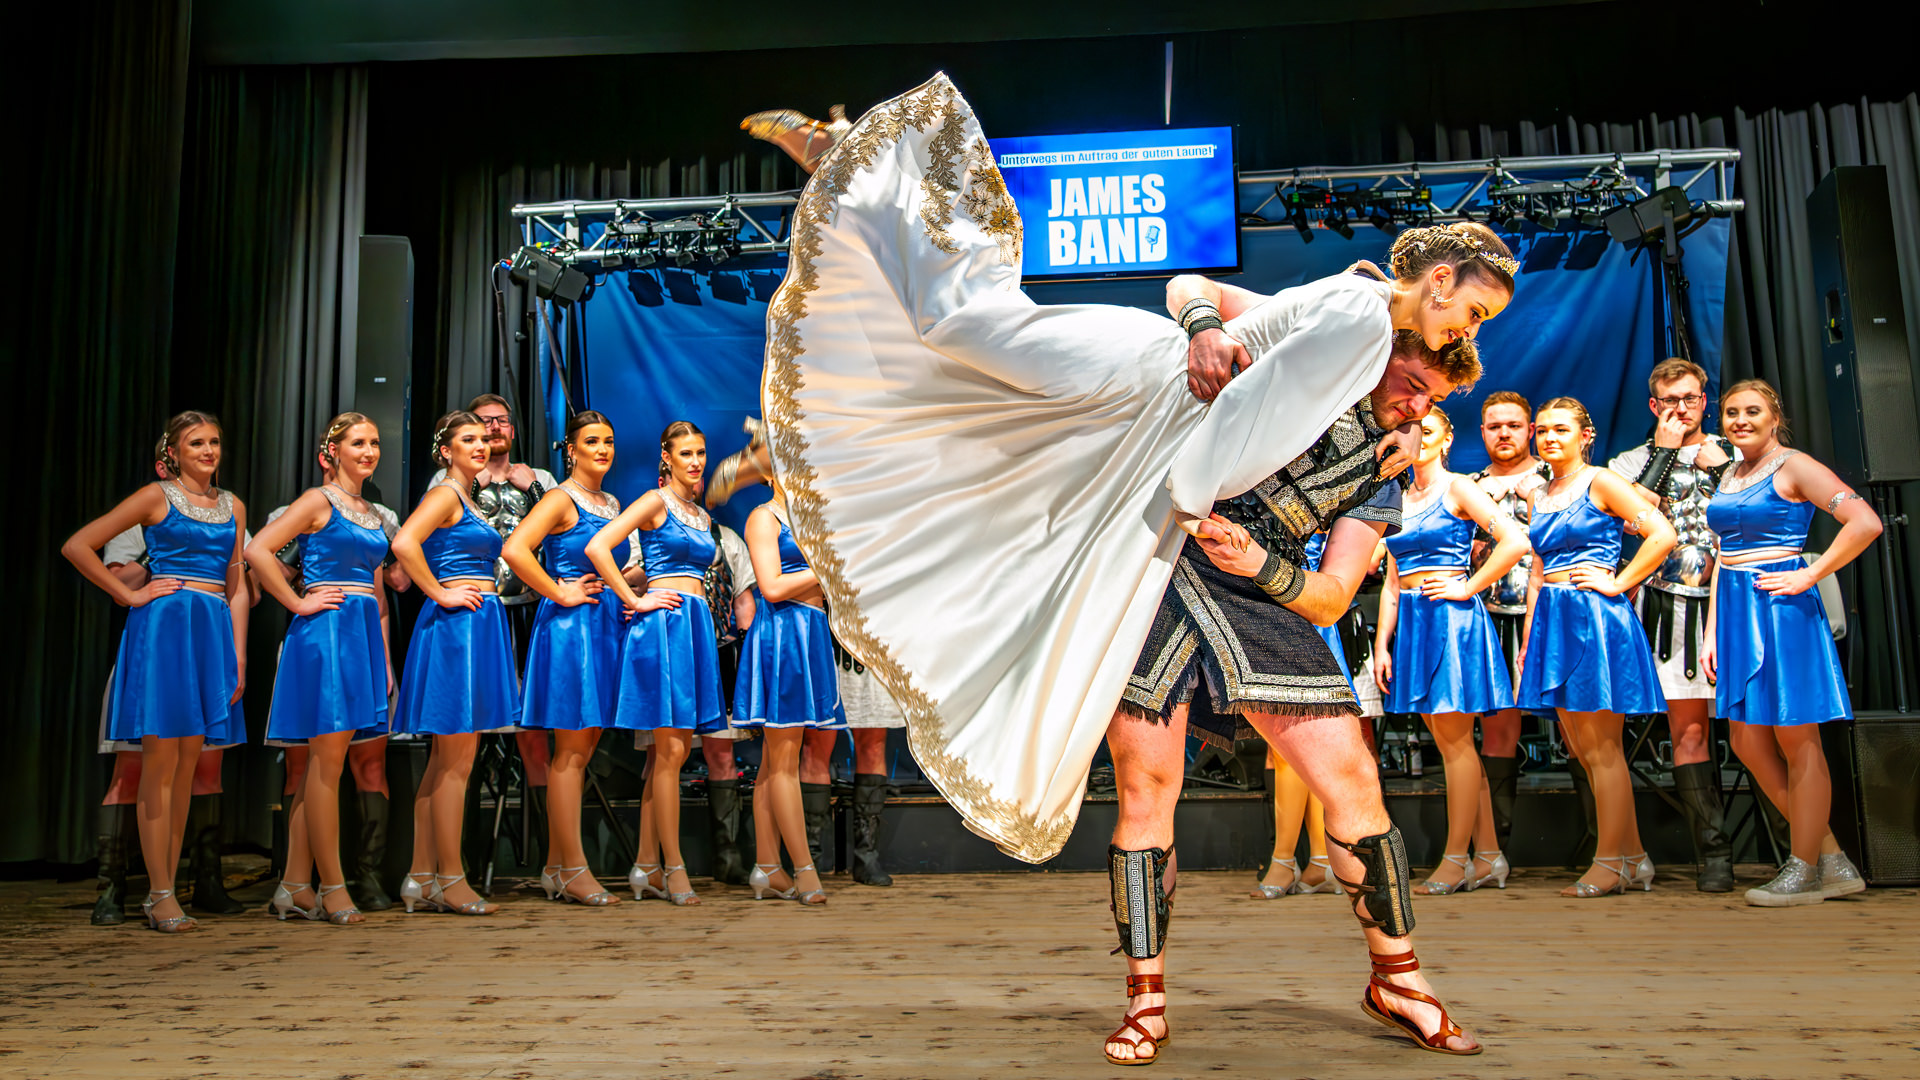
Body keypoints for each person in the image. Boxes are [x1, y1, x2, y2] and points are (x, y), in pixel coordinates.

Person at [759, 77, 1516, 1062]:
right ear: (1430, 302)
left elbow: (1334, 595)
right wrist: (1205, 328)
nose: (1418, 398)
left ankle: (1398, 977)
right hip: (1151, 543)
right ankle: (1146, 999)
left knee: (1352, 783)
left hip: (1246, 589)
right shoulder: (1342, 323)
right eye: (1422, 372)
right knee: (1145, 784)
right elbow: (1199, 294)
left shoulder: (1384, 474)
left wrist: (1265, 564)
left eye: (1433, 396)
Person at [61, 411, 250, 933]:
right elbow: (78, 545)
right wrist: (129, 595)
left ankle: (163, 891)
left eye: (214, 441)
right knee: (159, 767)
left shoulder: (233, 505)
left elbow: (236, 585)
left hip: (210, 631)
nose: (208, 451)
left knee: (188, 770)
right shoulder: (155, 497)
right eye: (196, 443)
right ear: (174, 452)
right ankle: (161, 893)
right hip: (165, 630)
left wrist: (238, 655)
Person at [1704, 380, 1880, 906]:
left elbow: (1864, 522)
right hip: (1735, 613)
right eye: (1731, 412)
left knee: (1796, 738)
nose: (1740, 420)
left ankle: (1803, 868)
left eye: (1752, 411)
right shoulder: (1731, 473)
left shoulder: (1795, 466)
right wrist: (1712, 631)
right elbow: (1723, 556)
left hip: (1781, 612)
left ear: (1774, 417)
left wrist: (1810, 574)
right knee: (1746, 742)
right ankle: (1832, 857)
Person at [1518, 397, 1675, 898]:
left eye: (1561, 429)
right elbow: (1537, 572)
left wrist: (1619, 582)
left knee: (1603, 748)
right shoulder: (1539, 494)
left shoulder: (1602, 481)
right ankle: (1633, 857)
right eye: (1542, 429)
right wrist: (1529, 637)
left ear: (1586, 435)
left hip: (1593, 616)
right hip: (1552, 619)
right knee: (1584, 750)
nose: (1549, 437)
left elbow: (1662, 534)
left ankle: (1610, 862)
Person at [1372, 407, 1530, 895]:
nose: (1415, 439)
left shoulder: (1459, 488)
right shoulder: (1396, 498)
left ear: (1446, 439)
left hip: (1450, 620)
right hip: (1414, 623)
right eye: (1405, 432)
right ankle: (1489, 855)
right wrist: (1382, 644)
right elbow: (1392, 582)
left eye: (1426, 431)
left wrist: (1468, 587)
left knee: (1457, 743)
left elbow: (1515, 541)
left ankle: (1455, 859)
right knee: (1450, 745)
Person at [248, 413, 393, 925]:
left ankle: (293, 885)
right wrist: (297, 601)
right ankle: (332, 886)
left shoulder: (371, 511)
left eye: (374, 442)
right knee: (325, 765)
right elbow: (257, 549)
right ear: (332, 451)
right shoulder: (317, 500)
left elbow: (378, 591)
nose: (369, 451)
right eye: (358, 443)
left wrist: (384, 658)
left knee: (321, 766)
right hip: (326, 633)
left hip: (360, 635)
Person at [1605, 358, 1737, 891]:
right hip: (1670, 607)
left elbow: (1754, 511)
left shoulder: (1732, 451)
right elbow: (1633, 521)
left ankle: (1801, 849)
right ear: (1653, 405)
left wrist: (1719, 470)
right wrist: (1663, 453)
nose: (1681, 409)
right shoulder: (1631, 461)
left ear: (1705, 400)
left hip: (1735, 601)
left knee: (1758, 731)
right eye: (1669, 401)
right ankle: (1715, 854)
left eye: (1690, 399)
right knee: (1690, 730)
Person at [588, 421, 727, 907]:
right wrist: (634, 598)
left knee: (671, 754)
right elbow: (598, 547)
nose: (696, 461)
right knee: (669, 752)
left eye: (701, 452)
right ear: (666, 456)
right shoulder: (654, 501)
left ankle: (646, 866)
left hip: (693, 625)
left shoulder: (700, 514)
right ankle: (675, 868)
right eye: (686, 453)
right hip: (664, 628)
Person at [501, 411, 636, 906]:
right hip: (571, 631)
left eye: (608, 441)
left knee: (584, 749)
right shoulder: (560, 498)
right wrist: (558, 591)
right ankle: (574, 869)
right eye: (592, 441)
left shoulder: (611, 503)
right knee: (571, 751)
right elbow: (515, 550)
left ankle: (557, 868)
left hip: (604, 627)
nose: (602, 449)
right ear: (571, 450)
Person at [391, 411, 522, 916]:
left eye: (483, 438)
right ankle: (450, 877)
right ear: (445, 450)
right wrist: (440, 592)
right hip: (457, 628)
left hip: (475, 623)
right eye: (468, 439)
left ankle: (421, 875)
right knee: (455, 761)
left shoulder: (467, 496)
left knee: (446, 762)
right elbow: (404, 543)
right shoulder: (446, 493)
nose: (481, 445)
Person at [434, 393, 561, 846]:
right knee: (464, 733)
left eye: (501, 421)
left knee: (533, 729)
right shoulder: (453, 480)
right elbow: (429, 541)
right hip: (475, 610)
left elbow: (561, 533)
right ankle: (459, 852)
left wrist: (535, 490)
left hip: (527, 608)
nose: (493, 429)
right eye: (483, 422)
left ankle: (549, 851)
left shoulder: (540, 478)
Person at [734, 481, 847, 905]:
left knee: (774, 761)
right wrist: (827, 568)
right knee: (784, 761)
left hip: (809, 630)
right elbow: (772, 587)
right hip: (784, 634)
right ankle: (803, 869)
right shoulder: (764, 517)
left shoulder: (808, 515)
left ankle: (767, 866)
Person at [1469, 390, 1550, 853]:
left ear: (1530, 430)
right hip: (1491, 614)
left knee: (1576, 728)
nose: (1504, 433)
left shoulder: (1556, 478)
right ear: (1482, 432)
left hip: (1548, 615)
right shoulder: (1469, 486)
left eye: (1513, 425)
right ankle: (1496, 850)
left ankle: (1599, 846)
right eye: (1495, 426)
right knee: (1498, 730)